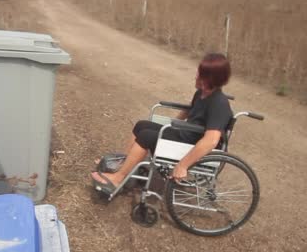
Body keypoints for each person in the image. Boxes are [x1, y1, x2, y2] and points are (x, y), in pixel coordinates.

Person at [91, 53, 233, 192]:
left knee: (146, 136)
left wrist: (183, 165)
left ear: (210, 79)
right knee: (142, 125)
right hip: (185, 134)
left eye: (200, 74)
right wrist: (172, 124)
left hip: (191, 144)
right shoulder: (201, 93)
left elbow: (211, 140)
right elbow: (190, 111)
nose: (196, 76)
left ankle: (118, 178)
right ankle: (123, 164)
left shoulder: (218, 103)